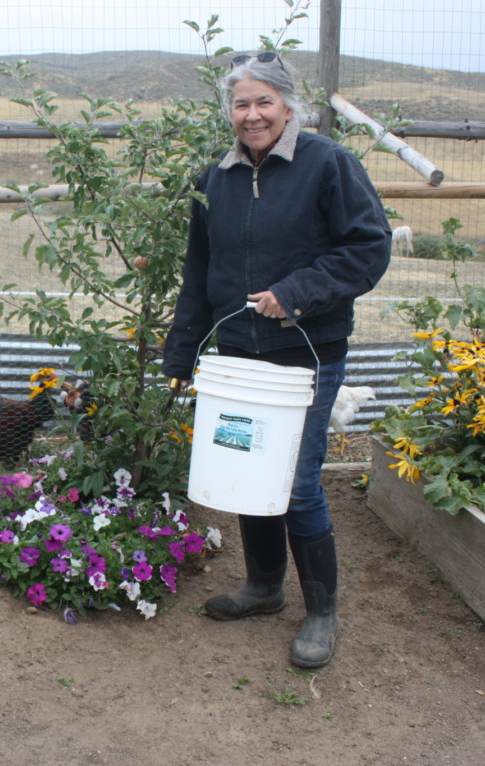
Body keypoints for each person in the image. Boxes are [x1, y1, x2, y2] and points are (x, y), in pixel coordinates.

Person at [161, 53, 392, 668]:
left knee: (297, 480)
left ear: (289, 105)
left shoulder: (328, 164)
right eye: (241, 103)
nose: (253, 114)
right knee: (248, 471)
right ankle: (264, 588)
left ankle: (322, 611)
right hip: (239, 354)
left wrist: (294, 293)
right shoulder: (217, 177)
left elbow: (368, 249)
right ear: (229, 112)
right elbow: (199, 273)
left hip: (306, 354)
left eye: (264, 101)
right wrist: (182, 352)